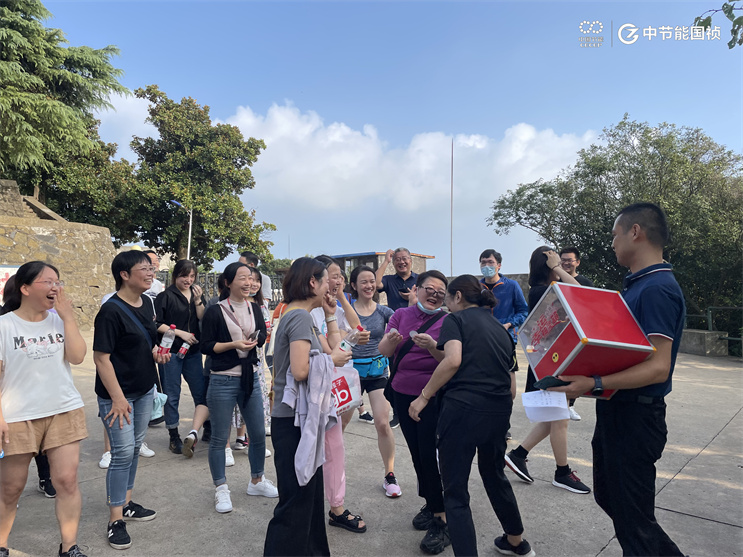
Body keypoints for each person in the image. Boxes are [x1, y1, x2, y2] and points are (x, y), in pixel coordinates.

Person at [553, 202, 686, 556]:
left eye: (615, 235)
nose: (612, 243)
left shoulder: (657, 289)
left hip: (636, 418)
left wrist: (594, 383)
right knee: (614, 501)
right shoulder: (637, 286)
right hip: (619, 410)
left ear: (635, 232)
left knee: (635, 523)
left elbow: (658, 367)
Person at [409, 275, 534, 557]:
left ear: (458, 297)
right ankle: (516, 541)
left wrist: (424, 396)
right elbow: (512, 388)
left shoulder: (455, 320)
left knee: (455, 492)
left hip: (462, 412)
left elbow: (453, 360)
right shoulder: (501, 329)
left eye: (447, 298)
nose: (446, 303)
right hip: (498, 411)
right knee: (494, 475)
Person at [0, 262, 89, 557]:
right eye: (47, 282)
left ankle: (69, 547)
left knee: (67, 481)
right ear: (25, 288)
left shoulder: (59, 321)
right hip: (17, 416)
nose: (55, 288)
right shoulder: (4, 325)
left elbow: (77, 357)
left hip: (63, 409)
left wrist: (68, 318)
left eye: (58, 282)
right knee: (11, 488)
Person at [264, 258, 351, 556]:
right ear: (312, 282)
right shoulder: (299, 317)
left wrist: (329, 315)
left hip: (300, 419)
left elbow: (332, 350)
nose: (330, 287)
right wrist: (332, 361)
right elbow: (302, 370)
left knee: (309, 500)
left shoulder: (301, 315)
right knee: (295, 503)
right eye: (326, 281)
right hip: (293, 420)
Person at [93, 251, 170, 550]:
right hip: (118, 396)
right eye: (144, 269)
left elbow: (145, 341)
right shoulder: (110, 311)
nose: (151, 273)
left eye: (152, 268)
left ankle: (126, 503)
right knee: (122, 453)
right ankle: (115, 519)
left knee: (134, 448)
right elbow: (101, 358)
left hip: (144, 390)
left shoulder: (147, 303)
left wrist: (155, 353)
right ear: (124, 274)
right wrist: (117, 398)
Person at [505, 247, 591, 494]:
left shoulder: (548, 289)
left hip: (555, 361)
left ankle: (518, 454)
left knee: (554, 418)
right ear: (548, 267)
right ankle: (562, 472)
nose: (560, 265)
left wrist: (557, 269)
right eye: (555, 262)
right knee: (559, 419)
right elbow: (581, 293)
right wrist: (556, 267)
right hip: (550, 363)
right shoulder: (542, 291)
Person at [379, 270, 449, 554]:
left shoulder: (448, 321)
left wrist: (432, 347)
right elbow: (385, 350)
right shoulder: (400, 315)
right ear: (416, 289)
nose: (434, 295)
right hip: (401, 393)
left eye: (440, 292)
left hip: (430, 396)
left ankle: (442, 518)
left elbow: (449, 360)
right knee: (417, 453)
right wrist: (392, 340)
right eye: (429, 289)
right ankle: (431, 503)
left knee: (429, 455)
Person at [200, 262, 278, 514]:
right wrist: (234, 345)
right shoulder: (215, 311)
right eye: (243, 278)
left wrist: (256, 339)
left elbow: (262, 337)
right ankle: (221, 487)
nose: (249, 283)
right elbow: (206, 346)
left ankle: (257, 480)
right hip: (222, 379)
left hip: (250, 378)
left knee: (257, 433)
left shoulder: (255, 308)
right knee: (219, 437)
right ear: (228, 282)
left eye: (252, 278)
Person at [310, 256, 367, 534]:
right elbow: (335, 347)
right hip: (313, 390)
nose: (337, 280)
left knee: (334, 445)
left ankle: (336, 507)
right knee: (316, 448)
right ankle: (315, 504)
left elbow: (357, 332)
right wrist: (342, 337)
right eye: (332, 276)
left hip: (338, 385)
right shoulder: (306, 312)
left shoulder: (333, 307)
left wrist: (340, 302)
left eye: (340, 276)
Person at [0, 275, 58, 499]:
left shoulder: (49, 319)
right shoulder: (5, 321)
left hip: (41, 396)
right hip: (11, 402)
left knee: (42, 444)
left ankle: (46, 478)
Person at [349, 266, 399, 497]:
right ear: (354, 285)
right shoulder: (347, 311)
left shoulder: (384, 311)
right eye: (363, 282)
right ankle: (331, 474)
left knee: (382, 423)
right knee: (337, 427)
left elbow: (402, 325)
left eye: (372, 281)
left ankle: (390, 475)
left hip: (378, 373)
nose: (369, 286)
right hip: (351, 375)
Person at [154, 259, 208, 456]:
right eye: (184, 276)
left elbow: (203, 317)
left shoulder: (196, 294)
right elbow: (156, 323)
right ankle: (173, 434)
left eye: (192, 276)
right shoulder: (165, 296)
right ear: (175, 275)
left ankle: (206, 427)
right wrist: (180, 333)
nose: (188, 280)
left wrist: (198, 300)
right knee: (172, 393)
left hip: (193, 352)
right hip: (170, 352)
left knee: (200, 390)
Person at [558, 247, 594, 421]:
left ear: (577, 262)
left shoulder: (585, 282)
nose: (566, 263)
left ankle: (570, 404)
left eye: (570, 260)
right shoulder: (555, 281)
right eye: (563, 260)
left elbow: (590, 305)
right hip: (557, 332)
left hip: (576, 333)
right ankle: (558, 403)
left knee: (574, 369)